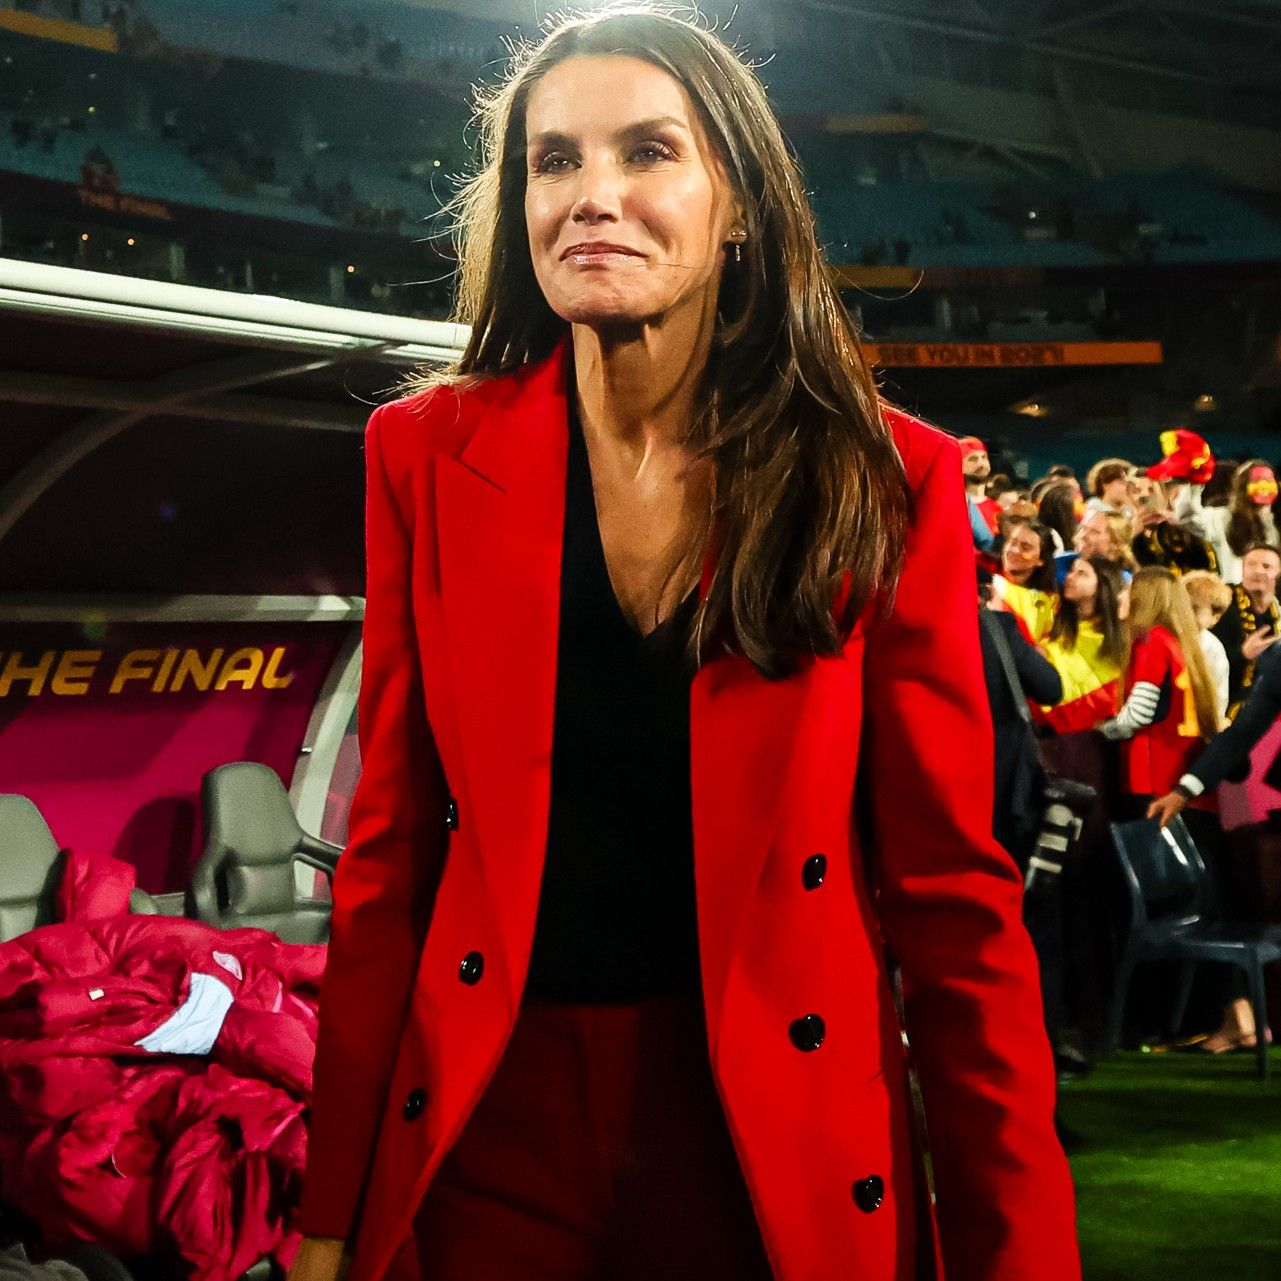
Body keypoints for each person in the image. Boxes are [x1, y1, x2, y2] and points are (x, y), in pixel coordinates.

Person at [290, 10, 1078, 1281]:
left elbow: (953, 908)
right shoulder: (422, 457)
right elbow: (388, 863)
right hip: (491, 1132)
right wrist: (329, 1217)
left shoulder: (887, 480)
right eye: (554, 161)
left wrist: (1019, 1256)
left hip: (769, 1139)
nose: (592, 195)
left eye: (648, 151)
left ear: (741, 207)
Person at [1099, 567, 1218, 817]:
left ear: (1145, 597)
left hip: (1152, 772)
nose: (1120, 596)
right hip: (1180, 769)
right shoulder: (1177, 642)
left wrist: (1099, 733)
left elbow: (1140, 713)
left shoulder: (1151, 639)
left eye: (1128, 590)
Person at [1039, 556, 1126, 733]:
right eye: (1071, 571)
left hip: (1080, 737)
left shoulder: (1112, 639)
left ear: (1102, 586)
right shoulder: (1053, 616)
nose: (1070, 577)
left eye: (1082, 574)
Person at [1173, 453, 1278, 584]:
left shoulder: (1274, 523)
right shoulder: (1222, 519)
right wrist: (1195, 483)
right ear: (1242, 487)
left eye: (1269, 481)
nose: (1264, 486)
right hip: (1234, 593)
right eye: (1258, 480)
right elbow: (1188, 517)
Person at [1211, 542, 1281, 720]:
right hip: (1226, 705)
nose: (1258, 571)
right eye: (1251, 565)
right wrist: (1243, 655)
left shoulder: (1278, 611)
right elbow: (1205, 663)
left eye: (1266, 566)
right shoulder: (1222, 604)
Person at [991, 516, 1059, 642]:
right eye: (1012, 542)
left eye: (1025, 547)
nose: (1013, 550)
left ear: (1040, 560)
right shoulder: (982, 570)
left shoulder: (1047, 603)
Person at [1179, 570, 1232, 727]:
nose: (1185, 614)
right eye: (1181, 606)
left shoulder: (1213, 649)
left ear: (1215, 618)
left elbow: (1218, 700)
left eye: (1194, 609)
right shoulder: (1163, 637)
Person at [960, 435, 1000, 551]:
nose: (981, 464)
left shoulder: (998, 508)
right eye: (973, 459)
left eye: (984, 457)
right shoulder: (954, 504)